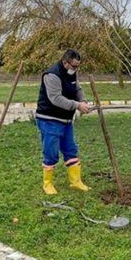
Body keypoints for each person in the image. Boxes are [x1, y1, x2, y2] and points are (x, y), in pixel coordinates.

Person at [35, 49, 93, 195]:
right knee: (51, 152)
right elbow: (55, 98)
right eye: (74, 66)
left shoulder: (72, 73)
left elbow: (77, 89)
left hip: (66, 120)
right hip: (49, 119)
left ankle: (76, 181)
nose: (76, 69)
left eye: (78, 66)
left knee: (70, 149)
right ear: (65, 62)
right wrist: (77, 105)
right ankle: (47, 184)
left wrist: (83, 100)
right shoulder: (52, 75)